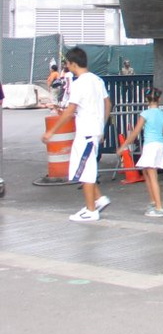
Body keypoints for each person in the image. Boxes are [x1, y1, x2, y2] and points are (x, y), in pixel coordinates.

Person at [41, 46, 111, 222]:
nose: (66, 66)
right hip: (93, 130)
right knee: (85, 168)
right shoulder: (97, 80)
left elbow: (71, 109)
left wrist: (51, 132)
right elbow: (108, 103)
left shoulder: (80, 83)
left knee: (85, 171)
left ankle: (91, 210)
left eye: (67, 64)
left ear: (73, 64)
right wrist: (101, 125)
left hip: (86, 132)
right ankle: (99, 199)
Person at [116, 87, 163, 217]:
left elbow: (135, 132)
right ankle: (153, 201)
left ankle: (159, 207)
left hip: (150, 145)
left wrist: (124, 146)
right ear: (159, 99)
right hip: (160, 145)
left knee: (152, 175)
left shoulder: (145, 114)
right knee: (146, 172)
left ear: (146, 100)